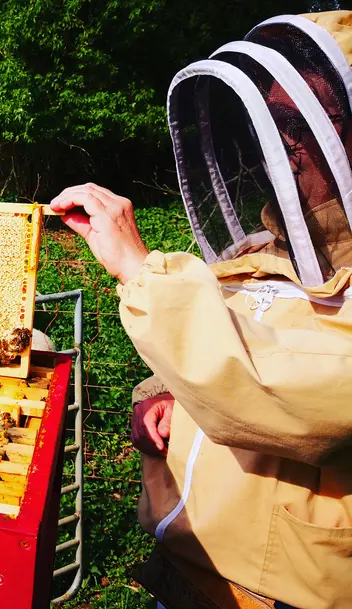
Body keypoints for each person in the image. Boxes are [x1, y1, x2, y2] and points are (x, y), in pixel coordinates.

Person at [50, 11, 352, 609]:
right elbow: (221, 348)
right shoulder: (265, 250)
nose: (285, 149)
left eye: (305, 123)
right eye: (275, 122)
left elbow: (278, 388)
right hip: (189, 577)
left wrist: (140, 270)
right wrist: (160, 395)